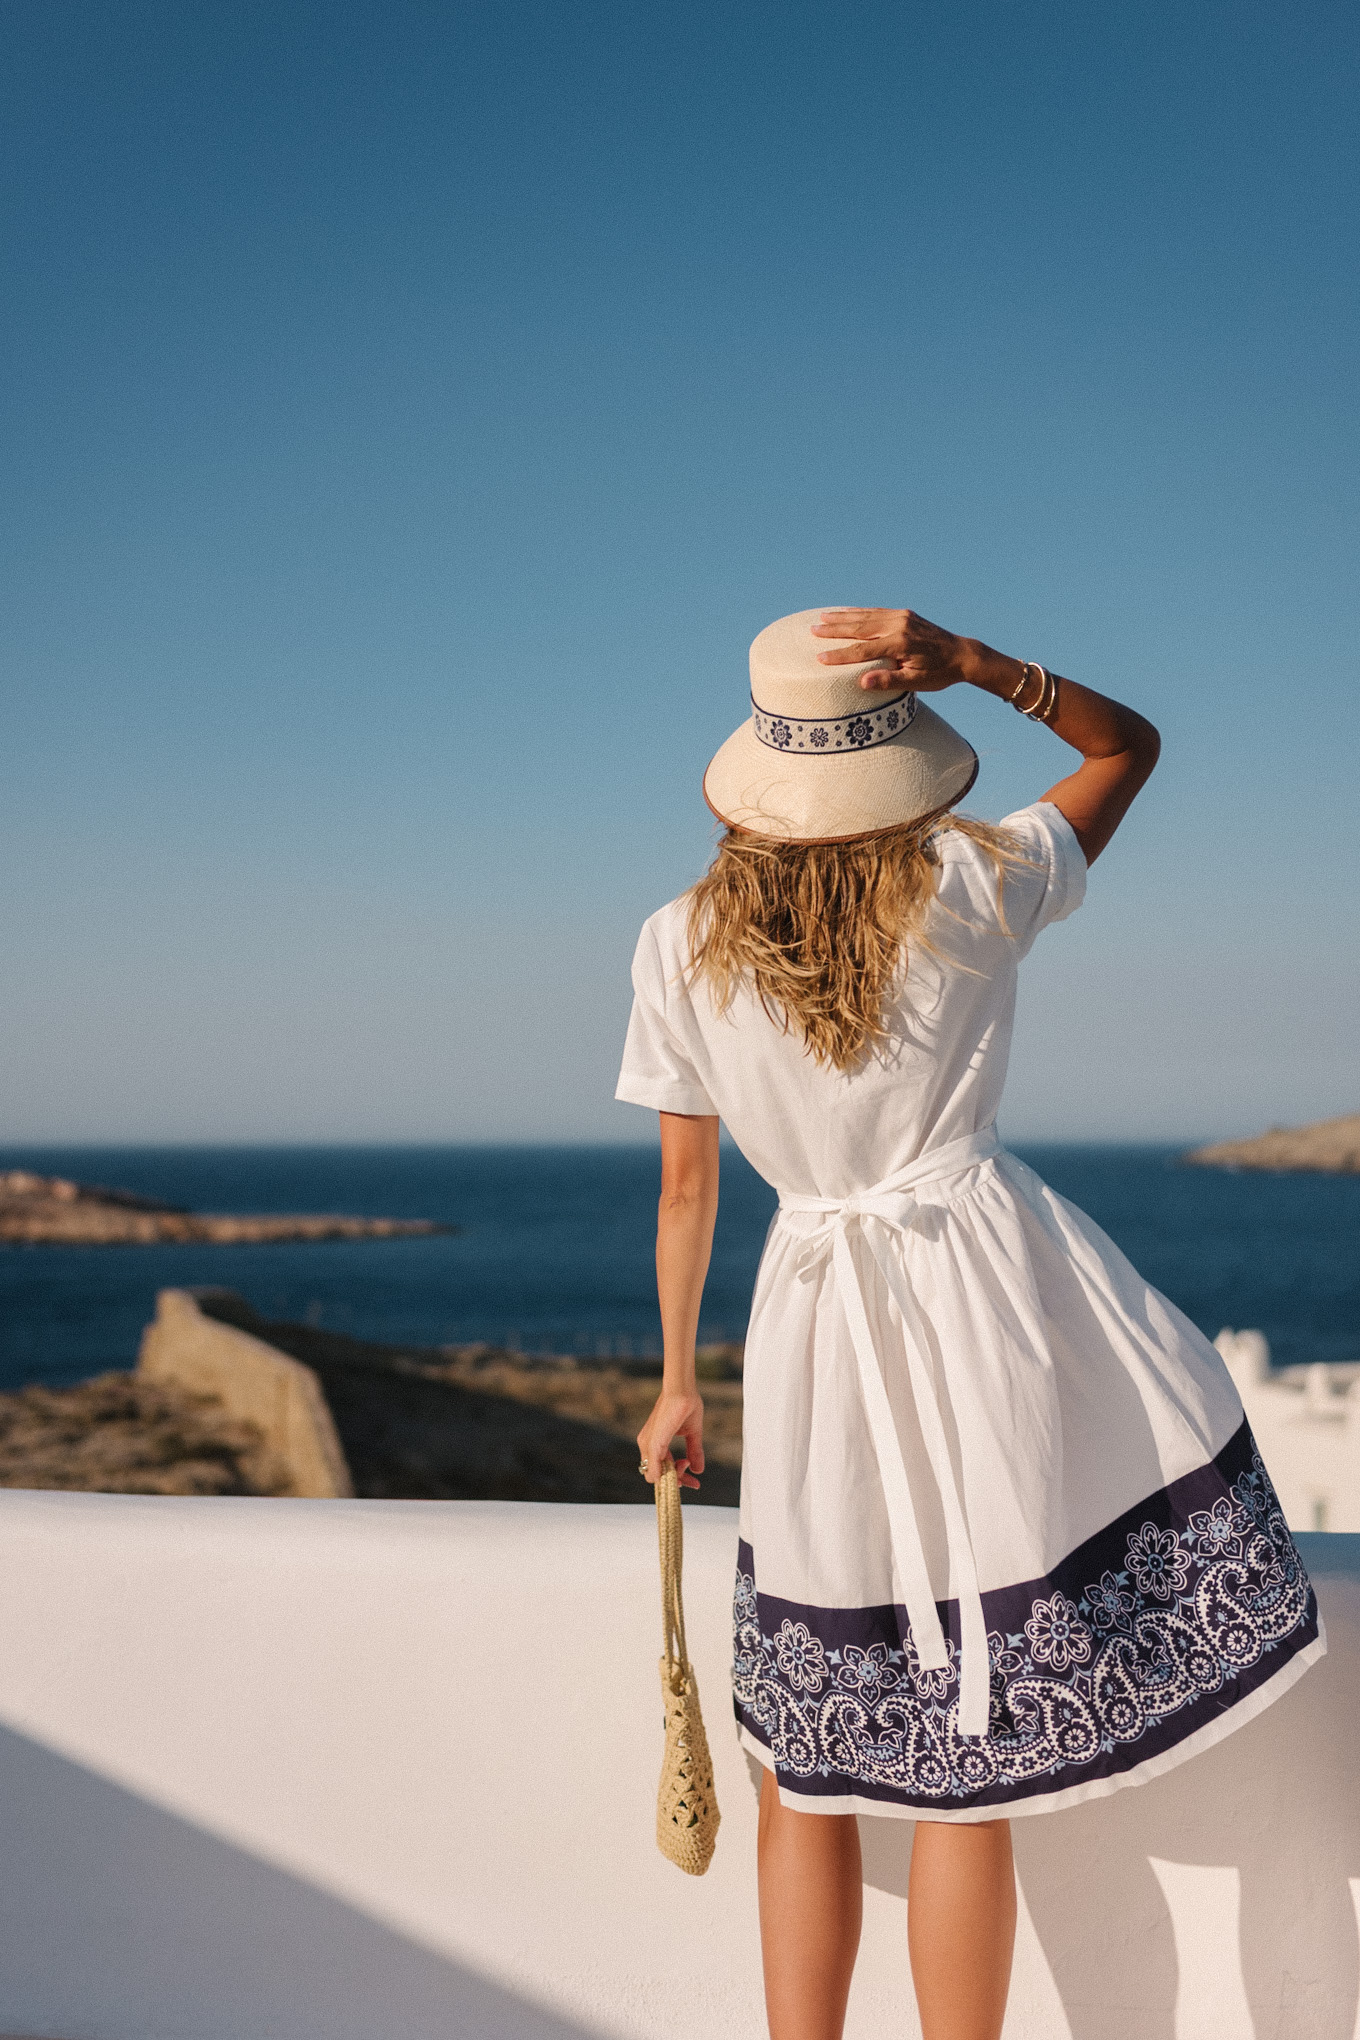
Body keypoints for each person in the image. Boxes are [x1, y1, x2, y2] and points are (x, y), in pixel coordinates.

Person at [616, 606, 1322, 2040]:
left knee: (803, 1767)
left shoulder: (676, 942)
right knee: (968, 1749)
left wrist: (677, 1383)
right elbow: (1130, 746)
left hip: (813, 1324)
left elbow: (687, 1191)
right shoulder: (969, 879)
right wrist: (987, 666)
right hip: (981, 1299)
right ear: (898, 753)